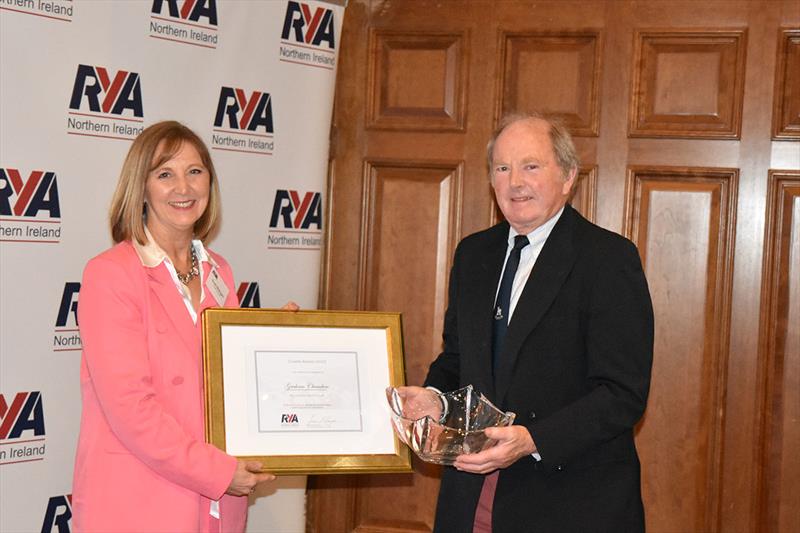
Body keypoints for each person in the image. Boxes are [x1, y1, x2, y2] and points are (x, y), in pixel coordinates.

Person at [398, 113, 654, 532]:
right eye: (502, 168)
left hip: (570, 501)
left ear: (568, 176)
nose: (515, 182)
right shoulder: (473, 255)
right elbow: (460, 358)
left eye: (531, 166)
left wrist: (532, 439)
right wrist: (435, 399)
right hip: (473, 496)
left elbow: (622, 393)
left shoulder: (607, 259)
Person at [72, 121, 294, 532]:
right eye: (165, 174)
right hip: (138, 502)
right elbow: (131, 409)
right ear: (140, 187)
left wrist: (280, 346)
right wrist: (217, 472)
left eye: (195, 171)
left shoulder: (219, 271)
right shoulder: (111, 274)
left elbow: (224, 381)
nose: (184, 188)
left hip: (216, 506)